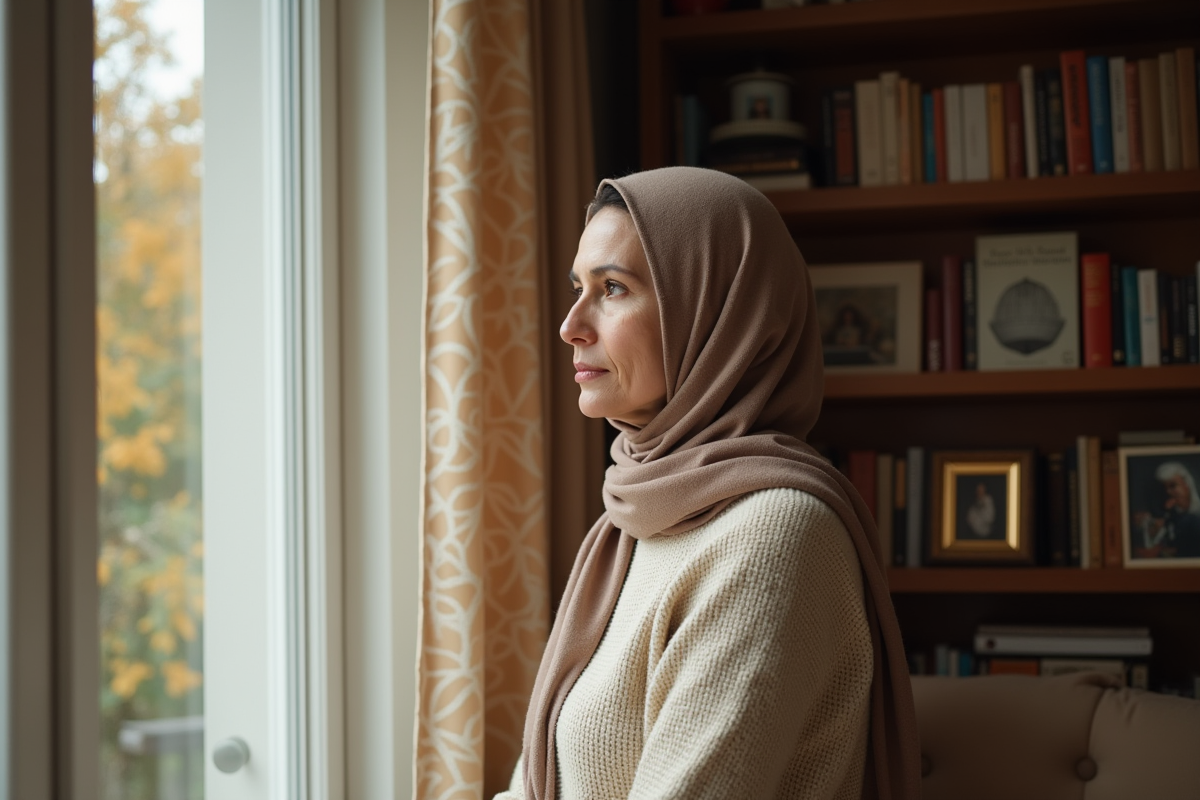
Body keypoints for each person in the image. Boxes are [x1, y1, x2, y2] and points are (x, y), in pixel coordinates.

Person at [500, 167, 919, 800]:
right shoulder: (631, 519)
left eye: (612, 288)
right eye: (577, 287)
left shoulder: (775, 533)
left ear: (719, 315)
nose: (570, 325)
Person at [1135, 461, 1200, 559]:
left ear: (1187, 485)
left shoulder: (1195, 516)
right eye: (1164, 488)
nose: (1168, 492)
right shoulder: (1169, 515)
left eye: (1173, 486)